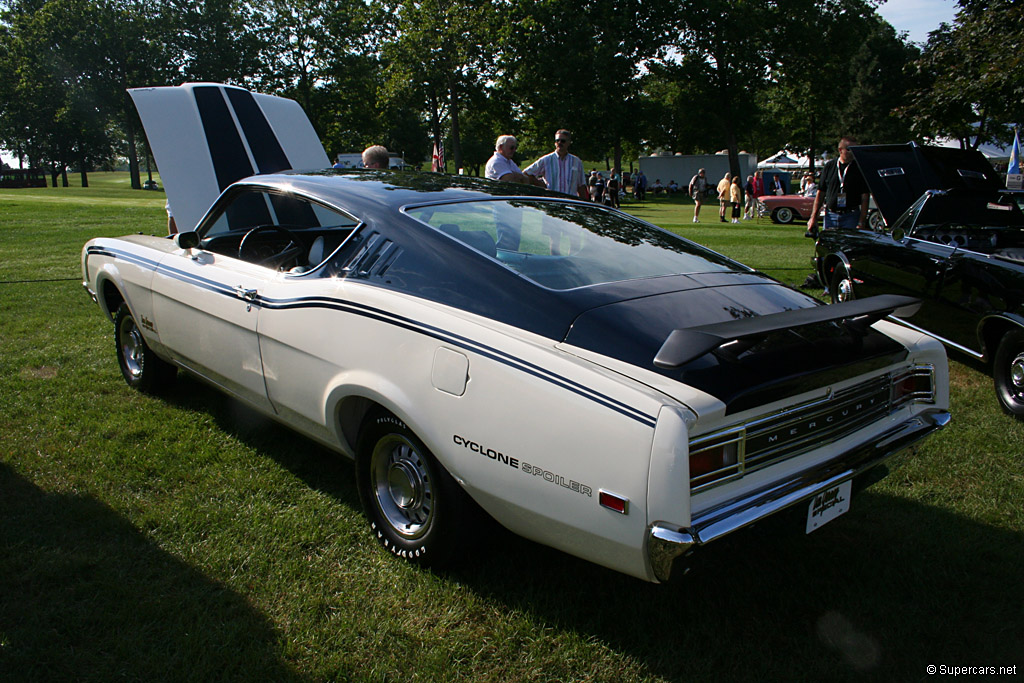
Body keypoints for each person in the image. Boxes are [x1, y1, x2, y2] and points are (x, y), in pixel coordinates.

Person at [806, 136, 869, 239]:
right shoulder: (830, 166)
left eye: (855, 149)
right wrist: (813, 217)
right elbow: (820, 193)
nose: (852, 152)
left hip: (851, 215)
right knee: (828, 247)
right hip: (831, 214)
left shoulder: (859, 168)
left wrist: (861, 221)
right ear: (840, 150)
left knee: (848, 247)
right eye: (849, 149)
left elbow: (865, 197)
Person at [524, 130, 588, 199]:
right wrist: (541, 185)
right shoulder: (546, 160)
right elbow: (526, 173)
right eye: (557, 140)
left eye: (563, 141)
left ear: (569, 142)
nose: (559, 143)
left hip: (570, 203)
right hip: (552, 202)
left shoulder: (576, 161)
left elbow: (581, 186)